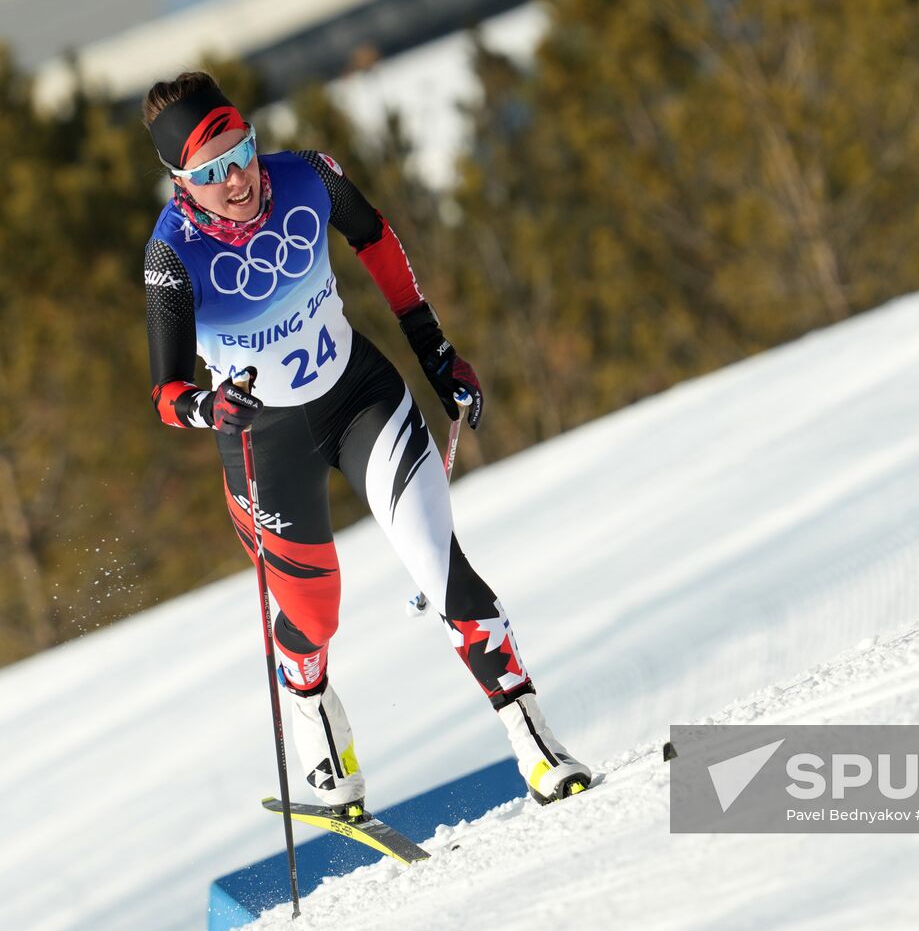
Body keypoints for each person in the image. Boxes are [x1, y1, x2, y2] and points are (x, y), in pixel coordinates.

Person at [141, 71, 591, 817]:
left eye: (242, 151)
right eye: (213, 172)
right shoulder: (171, 255)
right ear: (182, 183)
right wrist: (207, 407)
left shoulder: (308, 176)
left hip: (361, 399)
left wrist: (437, 354)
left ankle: (536, 743)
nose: (239, 180)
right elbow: (163, 392)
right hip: (265, 446)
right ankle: (310, 708)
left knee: (441, 564)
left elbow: (377, 241)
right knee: (315, 614)